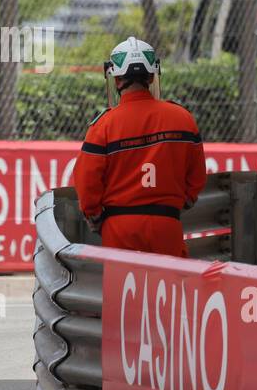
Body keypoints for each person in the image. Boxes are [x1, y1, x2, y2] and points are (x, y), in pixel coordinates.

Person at [73, 36, 206, 258]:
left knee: (122, 292)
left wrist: (95, 216)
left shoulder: (103, 125)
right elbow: (197, 178)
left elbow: (87, 183)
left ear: (116, 80)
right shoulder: (183, 119)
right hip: (167, 226)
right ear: (152, 75)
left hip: (119, 229)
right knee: (169, 290)